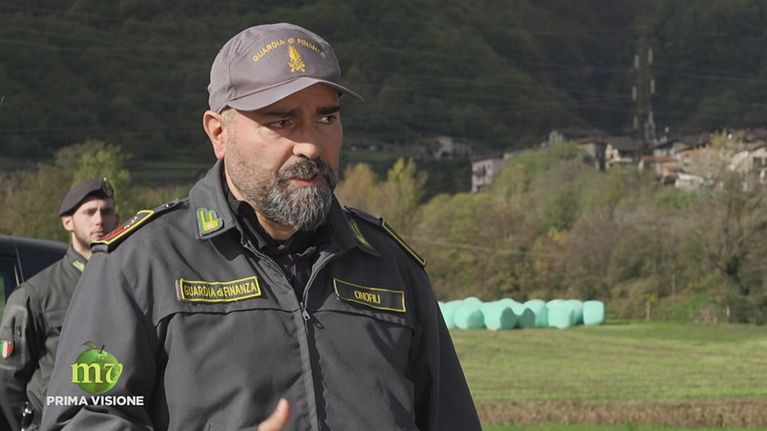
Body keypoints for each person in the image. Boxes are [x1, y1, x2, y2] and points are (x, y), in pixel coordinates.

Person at [41, 23, 481, 431]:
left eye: (326, 118)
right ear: (219, 134)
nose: (310, 145)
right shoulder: (139, 265)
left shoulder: (391, 266)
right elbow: (80, 420)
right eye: (281, 122)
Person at [0, 178, 118, 430]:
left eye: (106, 211)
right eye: (89, 212)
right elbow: (8, 381)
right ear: (68, 222)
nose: (99, 220)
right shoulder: (36, 294)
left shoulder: (131, 283)